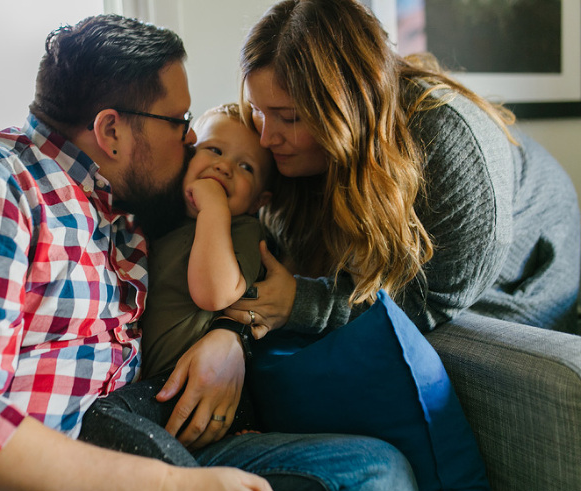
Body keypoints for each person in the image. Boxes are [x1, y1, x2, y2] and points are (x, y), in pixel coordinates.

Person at [0, 13, 421, 491]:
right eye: (180, 124)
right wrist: (176, 490)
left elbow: (223, 273)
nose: (193, 143)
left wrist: (234, 336)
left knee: (372, 473)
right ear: (111, 130)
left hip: (139, 449)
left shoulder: (131, 218)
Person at [225, 0, 580, 339]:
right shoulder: (275, 139)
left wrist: (302, 303)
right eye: (258, 110)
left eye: (290, 117)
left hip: (533, 276)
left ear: (350, 108)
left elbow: (431, 303)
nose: (267, 137)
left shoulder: (451, 151)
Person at [78, 103, 273, 461]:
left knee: (102, 419)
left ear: (260, 200)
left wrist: (214, 209)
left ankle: (188, 487)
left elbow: (213, 293)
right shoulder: (157, 220)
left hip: (194, 385)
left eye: (246, 167)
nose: (224, 167)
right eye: (213, 150)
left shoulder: (242, 229)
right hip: (154, 385)